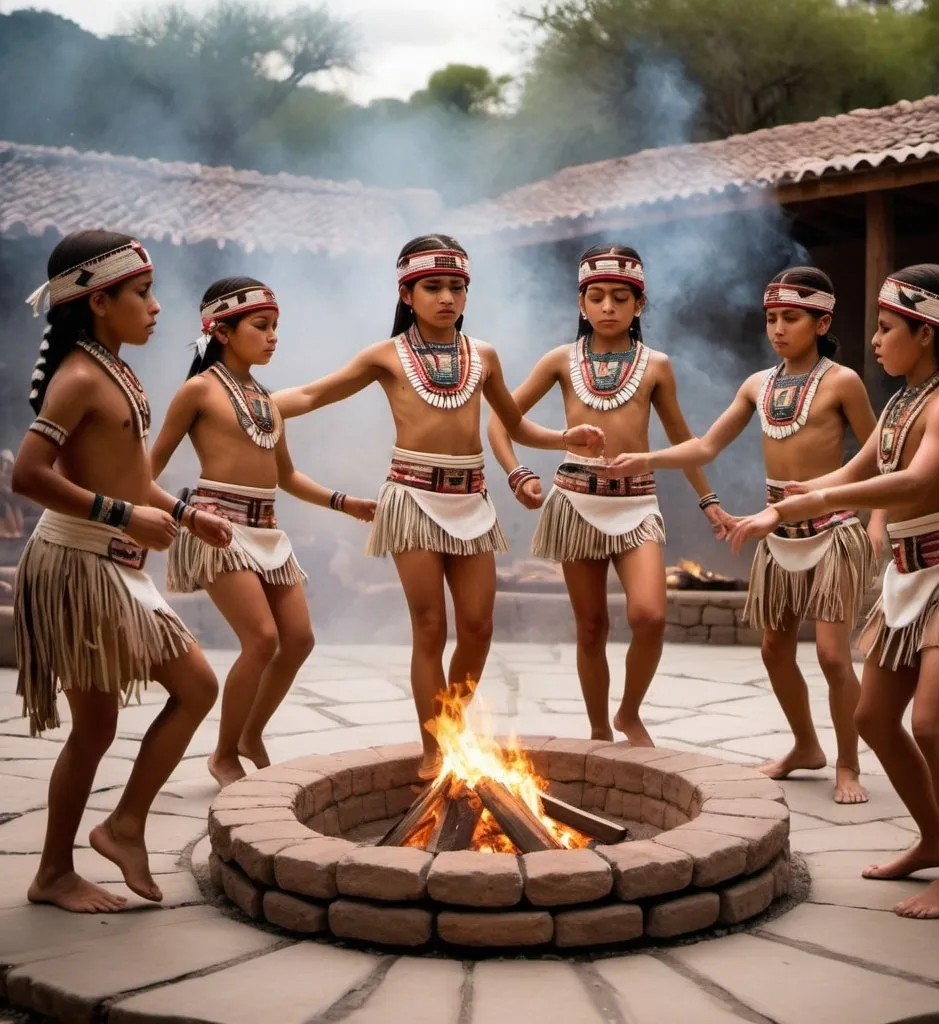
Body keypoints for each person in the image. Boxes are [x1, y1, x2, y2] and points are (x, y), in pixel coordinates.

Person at [727, 264, 939, 918]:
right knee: (871, 719)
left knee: (931, 724)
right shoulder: (900, 402)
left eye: (888, 328)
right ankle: (932, 839)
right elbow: (859, 467)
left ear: (925, 334)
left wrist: (828, 494)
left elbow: (913, 484)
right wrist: (773, 514)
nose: (878, 340)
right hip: (911, 574)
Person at [273, 234, 604, 778]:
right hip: (412, 499)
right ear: (407, 294)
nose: (445, 297)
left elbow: (515, 424)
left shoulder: (485, 356)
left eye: (455, 287)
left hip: (471, 499)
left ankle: (451, 720)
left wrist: (567, 439)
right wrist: (249, 404)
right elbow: (312, 395)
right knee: (430, 627)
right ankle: (435, 746)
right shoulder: (386, 355)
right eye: (432, 287)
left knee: (478, 627)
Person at [11, 230, 231, 912]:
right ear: (100, 302)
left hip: (109, 560)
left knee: (190, 690)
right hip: (77, 564)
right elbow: (27, 475)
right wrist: (122, 516)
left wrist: (189, 514)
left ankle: (123, 825)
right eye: (142, 294)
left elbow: (132, 479)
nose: (156, 306)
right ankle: (60, 868)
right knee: (117, 717)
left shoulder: (112, 369)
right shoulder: (79, 377)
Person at [604, 267, 884, 803]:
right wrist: (648, 457)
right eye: (772, 318)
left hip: (833, 530)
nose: (778, 328)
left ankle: (848, 764)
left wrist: (877, 521)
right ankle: (806, 746)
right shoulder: (758, 384)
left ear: (822, 322)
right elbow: (706, 446)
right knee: (775, 649)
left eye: (791, 318)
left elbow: (879, 458)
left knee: (831, 655)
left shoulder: (843, 381)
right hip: (778, 535)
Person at [489, 245, 730, 746]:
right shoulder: (560, 360)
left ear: (639, 305)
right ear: (581, 304)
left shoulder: (657, 365)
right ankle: (599, 730)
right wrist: (519, 475)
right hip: (575, 505)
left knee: (650, 616)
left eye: (620, 297)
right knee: (592, 625)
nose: (607, 307)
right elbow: (500, 422)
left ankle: (628, 713)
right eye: (595, 297)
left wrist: (711, 504)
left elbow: (686, 441)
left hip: (637, 505)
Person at [149, 277, 377, 789]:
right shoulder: (198, 390)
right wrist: (182, 515)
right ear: (222, 331)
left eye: (276, 327)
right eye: (261, 326)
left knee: (298, 639)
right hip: (218, 528)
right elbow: (145, 470)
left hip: (268, 531)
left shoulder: (264, 399)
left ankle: (251, 734)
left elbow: (287, 477)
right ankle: (224, 754)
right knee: (262, 639)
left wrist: (344, 502)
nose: (273, 336)